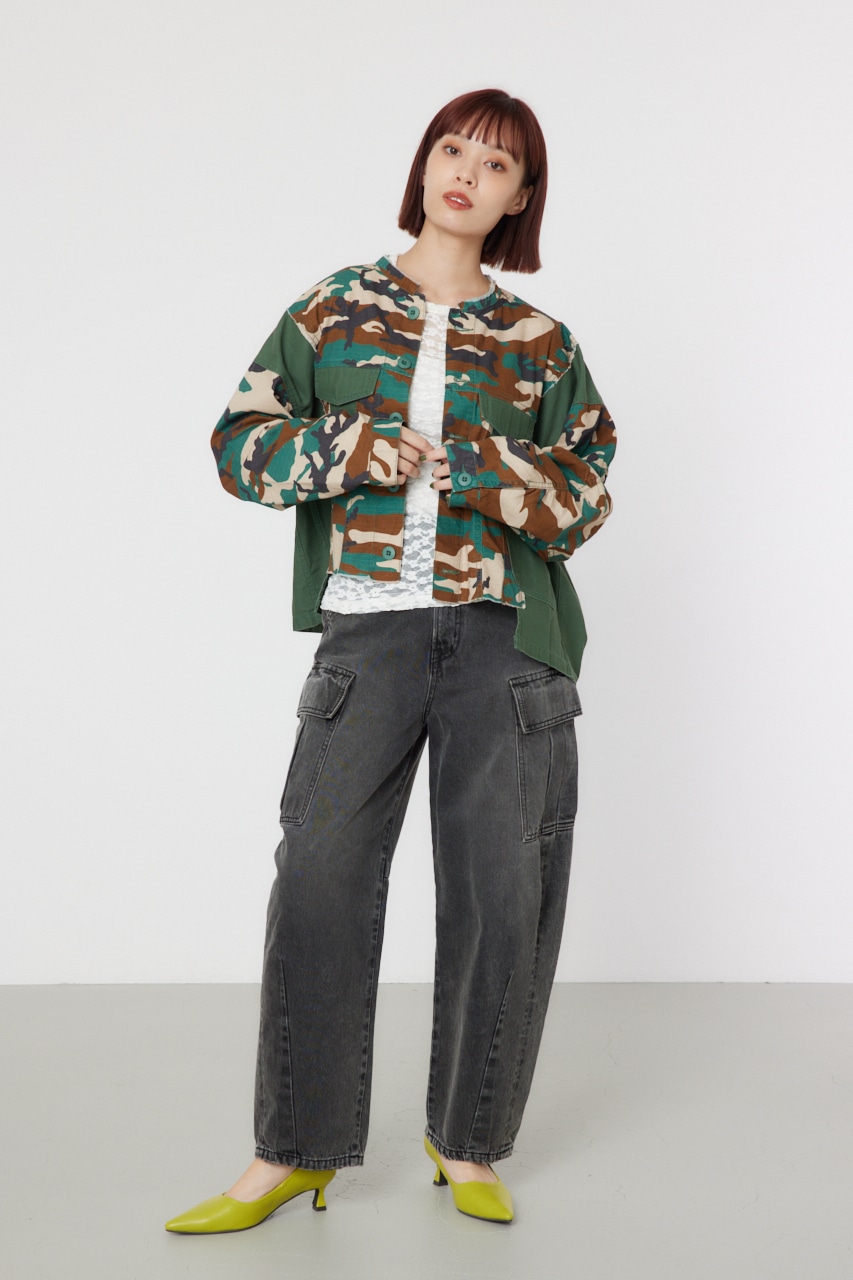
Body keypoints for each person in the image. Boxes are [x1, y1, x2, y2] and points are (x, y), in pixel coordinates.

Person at [165, 86, 616, 1234]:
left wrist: (484, 468)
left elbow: (584, 495)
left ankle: (467, 1139)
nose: (467, 172)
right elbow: (239, 446)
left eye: (497, 163)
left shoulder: (540, 344)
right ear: (423, 166)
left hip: (505, 639)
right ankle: (291, 1150)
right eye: (452, 149)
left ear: (521, 196)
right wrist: (354, 446)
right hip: (369, 626)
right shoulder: (331, 310)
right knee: (318, 876)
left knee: (501, 892)